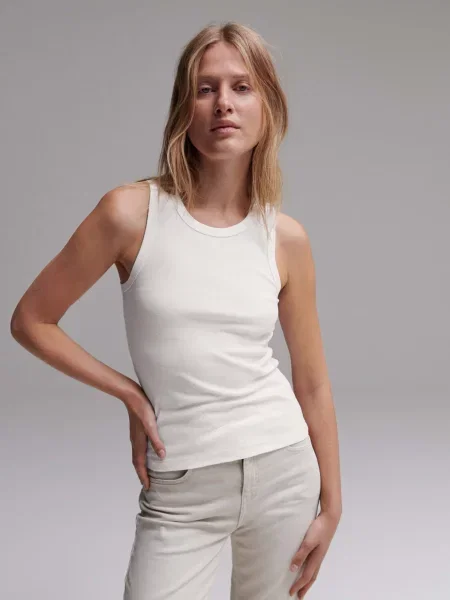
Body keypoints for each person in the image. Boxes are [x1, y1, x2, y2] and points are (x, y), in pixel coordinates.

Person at [10, 20, 342, 600]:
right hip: (183, 482)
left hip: (285, 470)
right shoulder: (129, 214)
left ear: (268, 107)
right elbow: (30, 320)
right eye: (205, 88)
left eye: (242, 87)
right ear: (183, 109)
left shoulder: (285, 238)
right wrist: (130, 393)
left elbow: (311, 382)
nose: (223, 104)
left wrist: (332, 504)